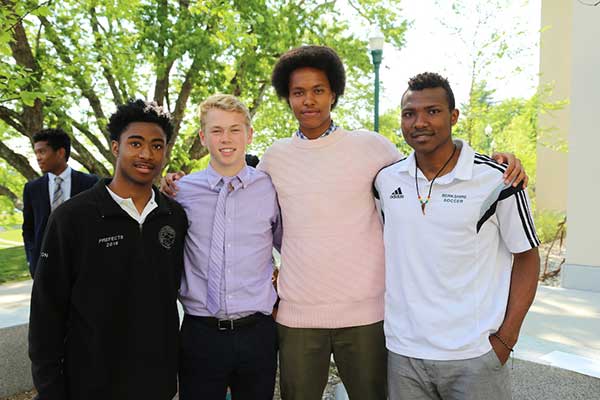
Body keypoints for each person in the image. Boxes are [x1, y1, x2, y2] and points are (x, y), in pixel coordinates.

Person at [163, 46, 526, 400]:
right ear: (287, 98)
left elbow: (426, 161)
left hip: (367, 315)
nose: (309, 100)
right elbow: (249, 211)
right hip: (298, 316)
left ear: (334, 93)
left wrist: (487, 159)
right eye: (298, 92)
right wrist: (175, 183)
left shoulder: (372, 147)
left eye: (318, 90)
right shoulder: (274, 159)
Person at [374, 72, 540, 400]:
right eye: (409, 114)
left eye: (432, 111)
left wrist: (506, 339)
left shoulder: (497, 180)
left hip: (474, 356)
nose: (419, 122)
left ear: (453, 116)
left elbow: (527, 257)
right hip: (403, 354)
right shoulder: (385, 180)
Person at [28, 99, 188, 400]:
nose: (146, 154)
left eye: (157, 146)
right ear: (116, 147)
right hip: (90, 383)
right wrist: (50, 386)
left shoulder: (175, 216)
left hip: (157, 382)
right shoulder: (72, 217)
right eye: (136, 143)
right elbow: (46, 311)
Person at [175, 94, 281, 399]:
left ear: (249, 135)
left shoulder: (270, 188)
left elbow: (291, 244)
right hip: (200, 332)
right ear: (203, 137)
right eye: (216, 130)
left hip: (257, 332)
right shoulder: (181, 192)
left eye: (235, 129)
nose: (226, 138)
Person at [22, 128, 97, 277]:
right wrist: (32, 260)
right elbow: (28, 229)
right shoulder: (32, 188)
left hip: (84, 266)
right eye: (36, 152)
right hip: (45, 268)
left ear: (61, 153)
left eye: (42, 152)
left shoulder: (90, 183)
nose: (37, 157)